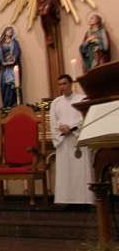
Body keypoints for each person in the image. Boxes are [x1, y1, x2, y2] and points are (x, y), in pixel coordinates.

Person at [50, 74, 94, 204]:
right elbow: (53, 122)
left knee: (80, 172)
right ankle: (67, 200)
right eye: (60, 84)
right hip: (63, 142)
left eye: (64, 83)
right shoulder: (56, 103)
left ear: (71, 84)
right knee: (66, 173)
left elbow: (85, 118)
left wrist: (72, 127)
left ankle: (84, 200)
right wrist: (61, 129)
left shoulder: (82, 99)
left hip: (78, 139)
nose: (62, 87)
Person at [0, 26, 21, 108]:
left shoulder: (15, 43)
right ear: (5, 32)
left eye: (12, 31)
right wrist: (1, 62)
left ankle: (13, 104)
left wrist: (13, 59)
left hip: (12, 68)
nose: (10, 32)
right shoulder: (0, 44)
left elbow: (17, 53)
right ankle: (6, 104)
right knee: (5, 87)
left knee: (13, 87)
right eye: (9, 30)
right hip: (4, 69)